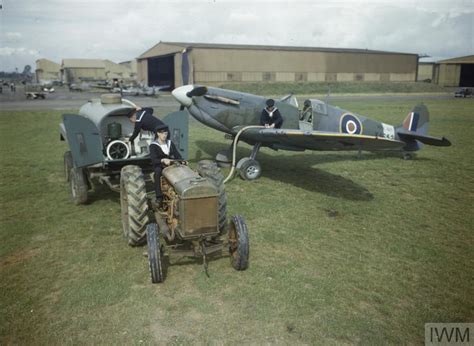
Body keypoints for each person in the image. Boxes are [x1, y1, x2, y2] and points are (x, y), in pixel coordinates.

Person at [149, 124, 183, 204]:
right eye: (163, 134)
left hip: (171, 164)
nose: (164, 136)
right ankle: (159, 197)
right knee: (157, 173)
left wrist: (182, 161)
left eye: (166, 134)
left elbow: (177, 155)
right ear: (158, 134)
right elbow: (153, 160)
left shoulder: (170, 143)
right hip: (159, 165)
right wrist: (162, 160)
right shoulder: (153, 145)